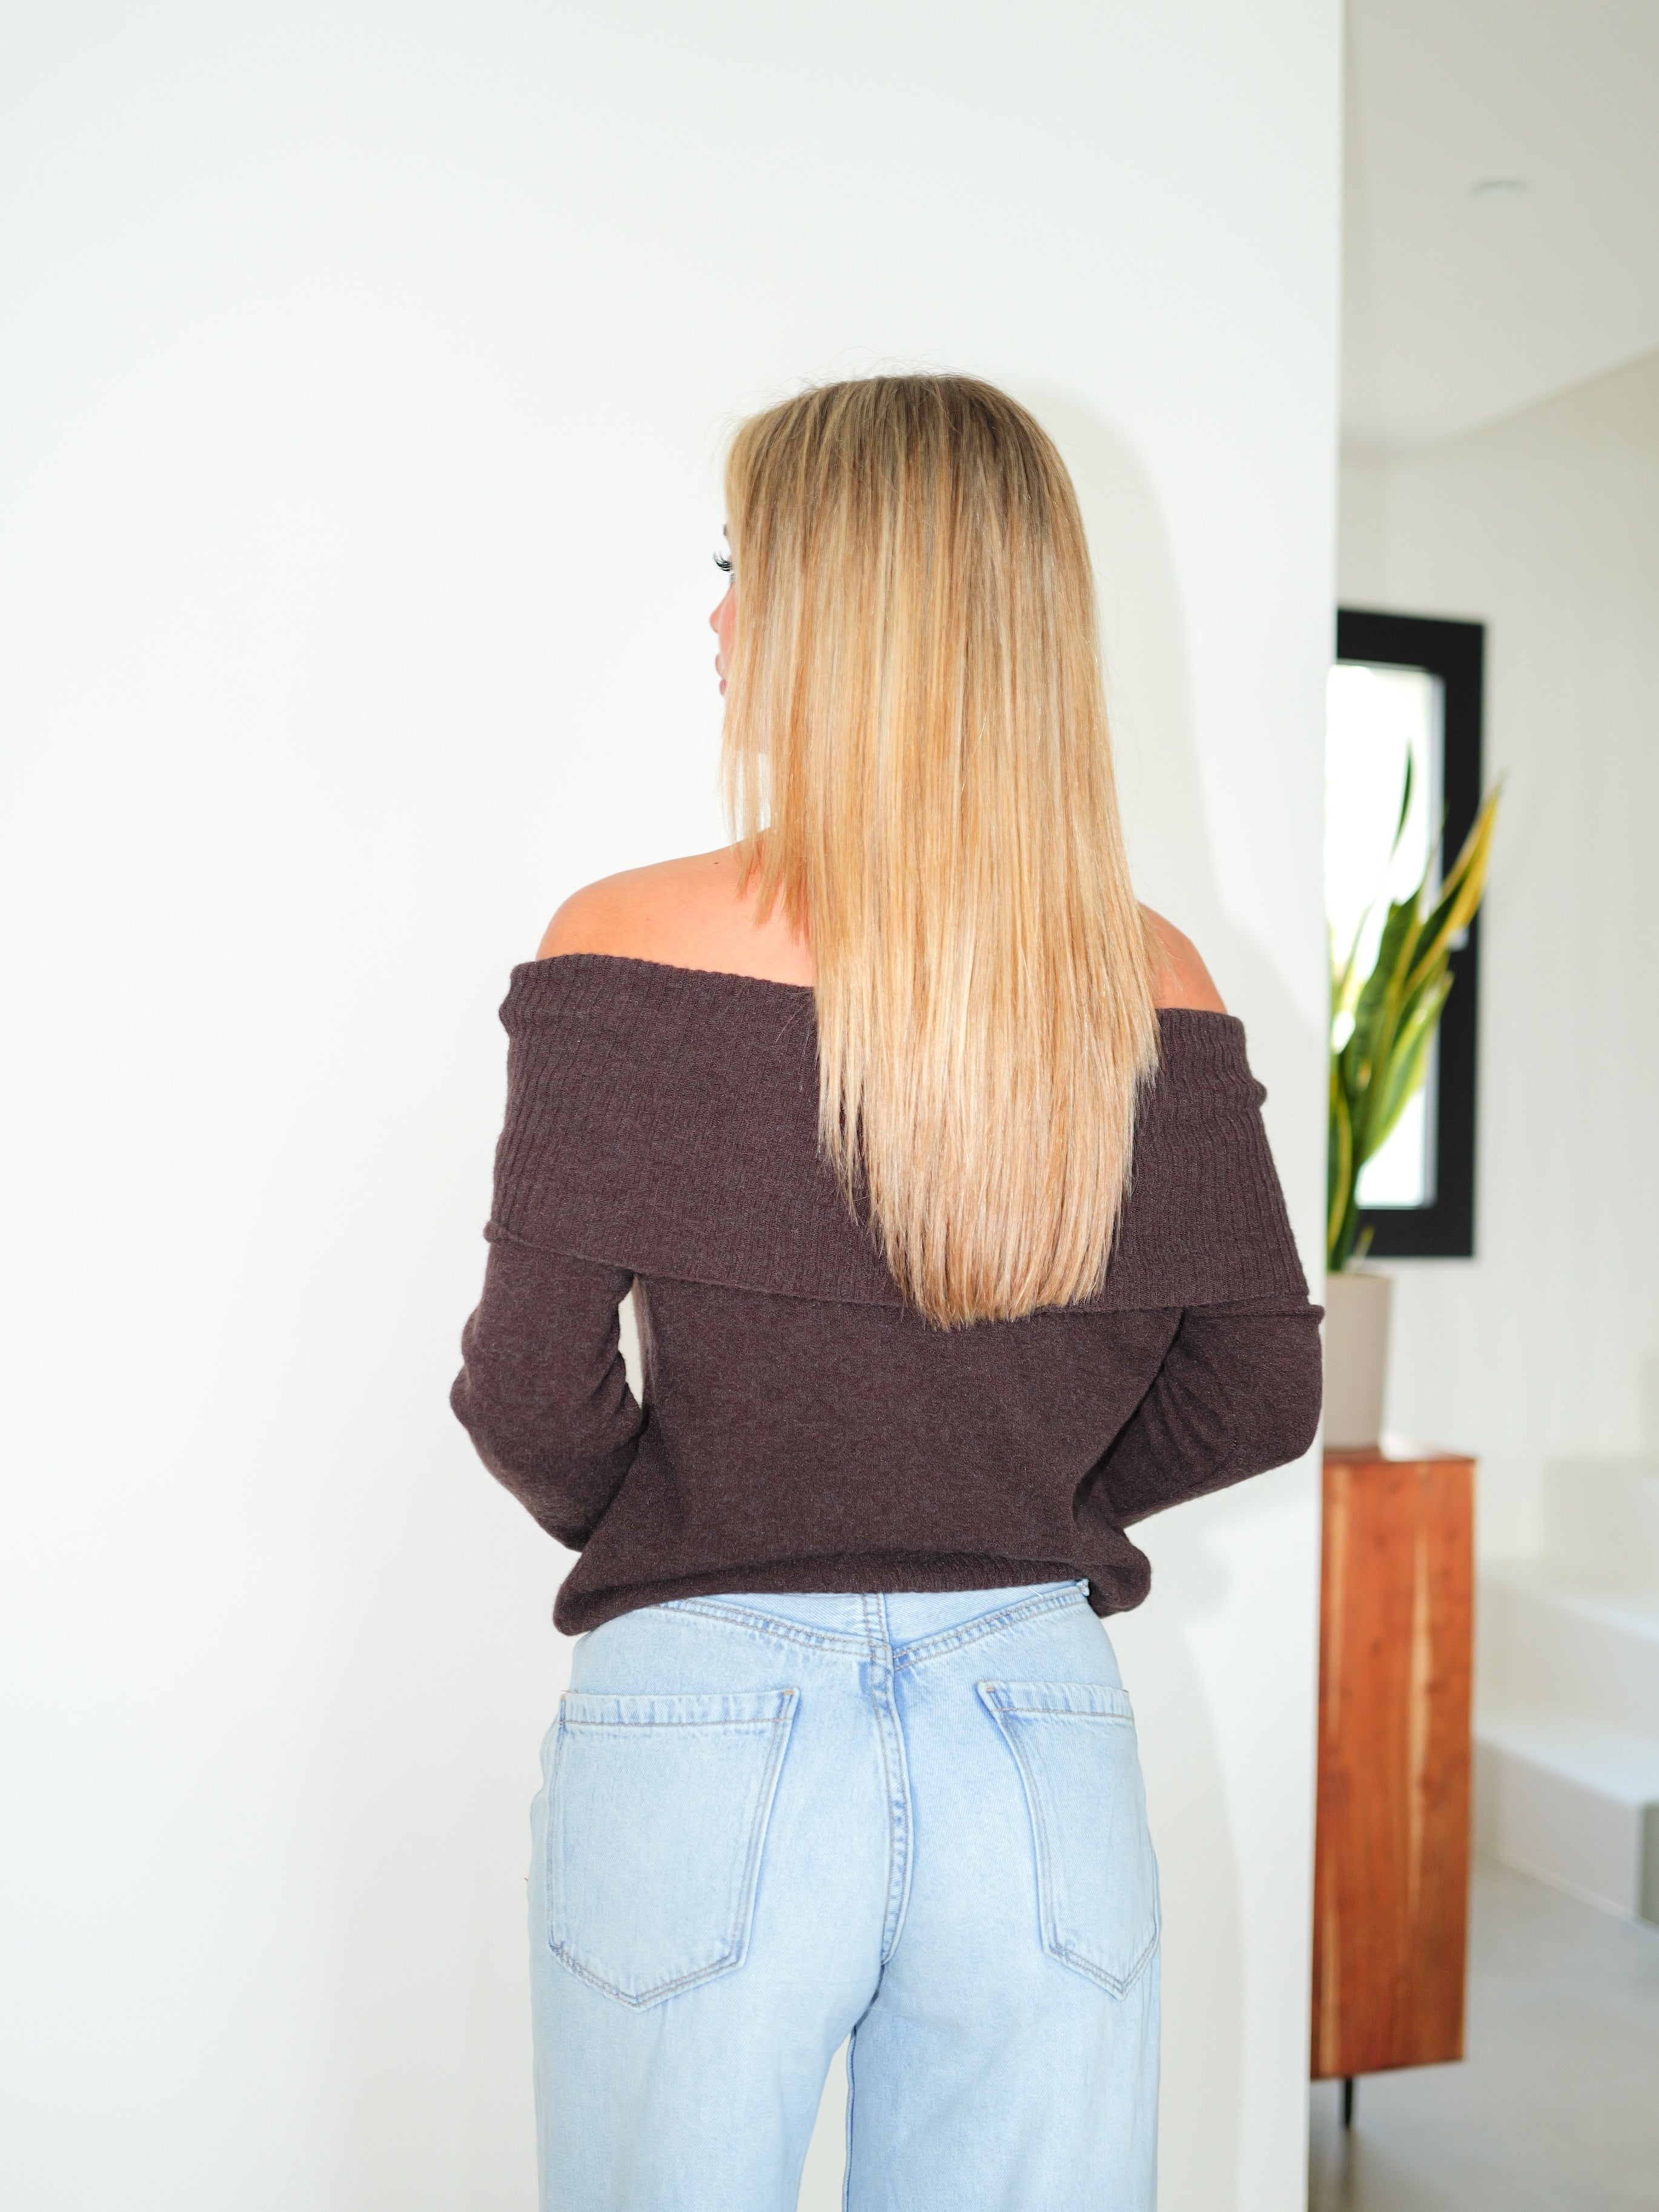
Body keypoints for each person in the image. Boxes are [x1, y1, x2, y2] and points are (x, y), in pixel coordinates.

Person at [451, 374, 1322, 2212]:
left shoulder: (623, 939)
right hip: (1034, 1718)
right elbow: (1257, 1391)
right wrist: (1011, 1502)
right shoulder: (1151, 978)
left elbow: (530, 1393)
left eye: (741, 570)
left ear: (847, 616)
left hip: (704, 1718)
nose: (715, 623)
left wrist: (701, 1520)